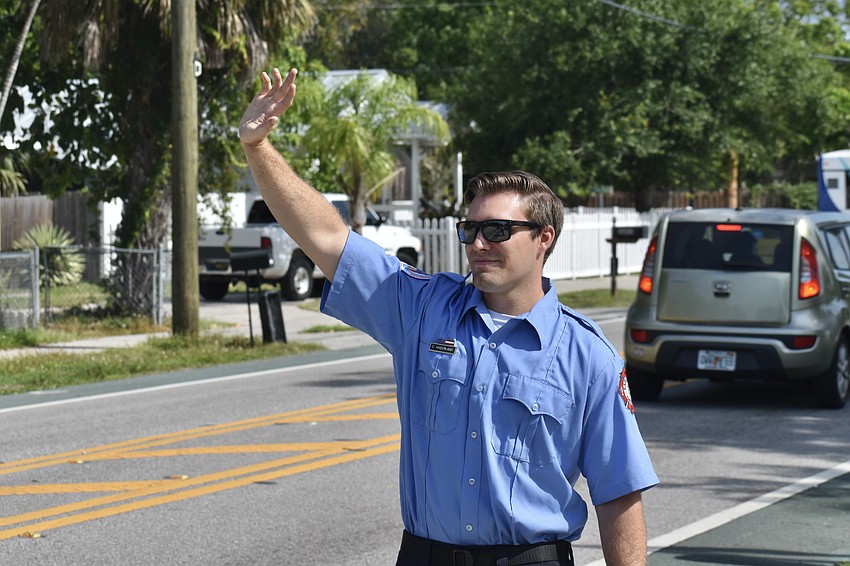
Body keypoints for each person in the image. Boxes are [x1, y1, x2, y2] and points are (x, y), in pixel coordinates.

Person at [239, 67, 659, 566]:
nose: (479, 244)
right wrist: (258, 149)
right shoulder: (420, 308)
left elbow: (618, 493)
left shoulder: (588, 355)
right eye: (471, 230)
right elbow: (329, 239)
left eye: (498, 230)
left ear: (544, 237)